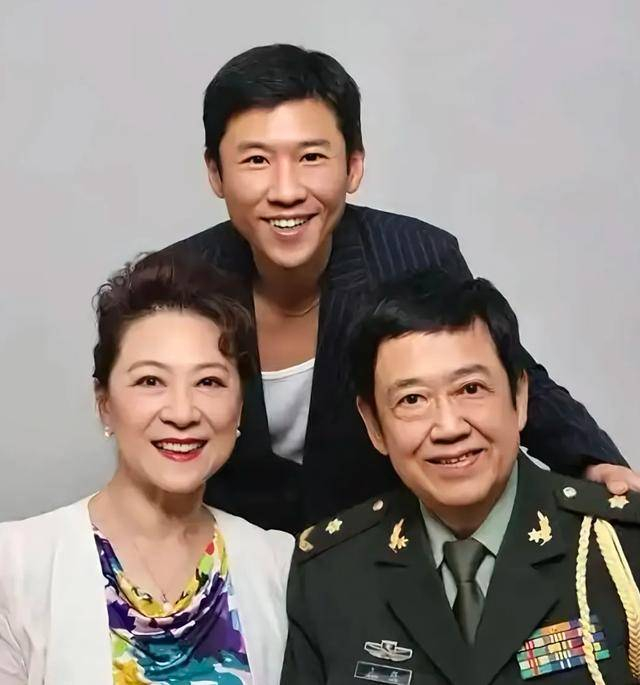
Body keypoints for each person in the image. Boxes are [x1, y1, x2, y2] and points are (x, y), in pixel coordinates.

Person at [172, 43, 637, 534]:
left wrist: (592, 462)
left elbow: (500, 372)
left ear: (353, 166)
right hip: (223, 549)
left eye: (311, 157)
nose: (286, 190)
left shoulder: (412, 255)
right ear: (215, 173)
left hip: (380, 543)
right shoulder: (176, 284)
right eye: (256, 160)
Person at [281, 272, 640, 685]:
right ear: (374, 425)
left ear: (519, 398)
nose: (449, 427)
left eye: (470, 389)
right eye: (412, 399)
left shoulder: (620, 547)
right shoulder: (329, 574)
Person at [0, 253, 293, 685]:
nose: (182, 412)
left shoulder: (279, 565)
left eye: (209, 382)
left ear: (239, 407)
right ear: (104, 403)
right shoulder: (15, 565)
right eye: (150, 381)